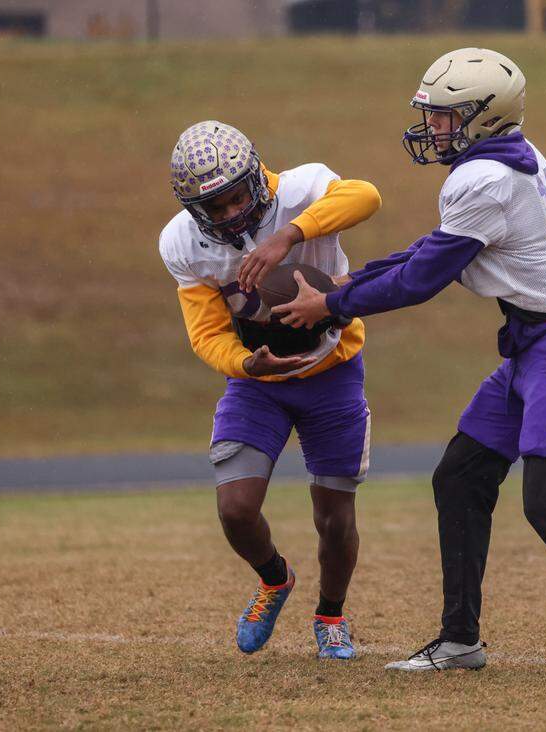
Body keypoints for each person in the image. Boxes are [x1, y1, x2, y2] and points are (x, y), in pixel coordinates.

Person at [272, 49, 546, 680]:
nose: (434, 127)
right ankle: (459, 640)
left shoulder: (483, 180)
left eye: (446, 116)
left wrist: (331, 303)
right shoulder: (502, 159)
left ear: (484, 118)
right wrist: (348, 284)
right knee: (459, 478)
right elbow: (425, 254)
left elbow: (421, 280)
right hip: (530, 345)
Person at [159, 120, 381, 660]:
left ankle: (331, 615)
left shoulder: (303, 188)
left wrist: (291, 234)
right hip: (259, 383)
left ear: (256, 177)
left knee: (334, 518)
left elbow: (367, 196)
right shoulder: (183, 244)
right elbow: (207, 333)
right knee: (235, 509)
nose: (232, 213)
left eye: (237, 197)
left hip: (331, 370)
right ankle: (275, 579)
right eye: (215, 207)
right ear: (194, 210)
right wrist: (244, 363)